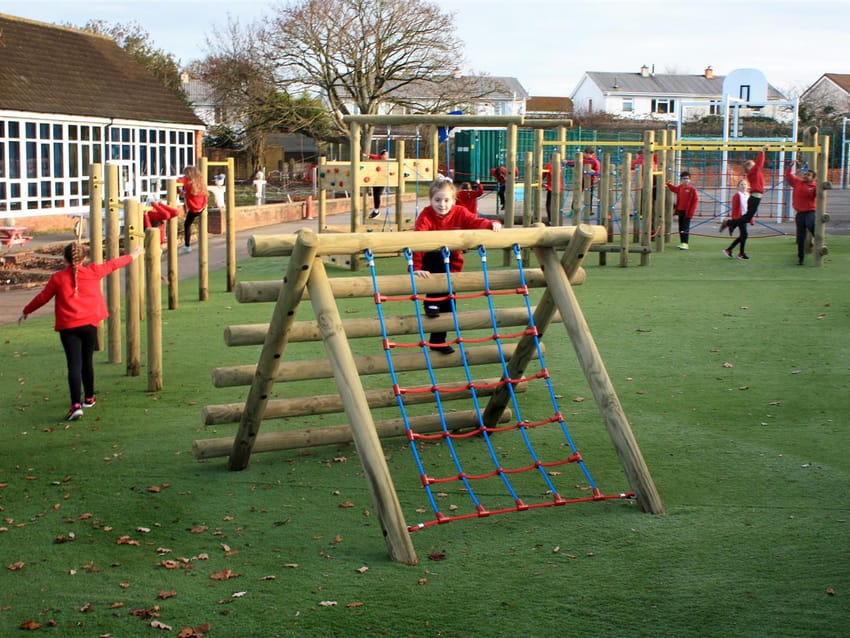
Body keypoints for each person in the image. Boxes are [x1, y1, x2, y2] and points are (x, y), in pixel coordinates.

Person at [18, 242, 144, 421]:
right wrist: (134, 254)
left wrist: (26, 311)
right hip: (89, 325)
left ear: (64, 259)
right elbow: (113, 264)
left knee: (74, 365)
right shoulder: (93, 271)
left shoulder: (58, 278)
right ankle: (89, 398)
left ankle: (76, 405)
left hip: (69, 328)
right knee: (87, 362)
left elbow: (42, 297)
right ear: (84, 258)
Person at [412, 180, 502, 354]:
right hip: (431, 264)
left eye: (446, 200)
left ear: (454, 200)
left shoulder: (460, 212)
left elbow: (474, 222)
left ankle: (438, 341)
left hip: (452, 266)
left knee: (449, 307)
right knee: (438, 258)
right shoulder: (426, 215)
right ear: (431, 200)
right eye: (437, 200)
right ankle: (430, 302)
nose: (442, 204)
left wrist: (492, 223)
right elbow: (419, 241)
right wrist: (416, 267)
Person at [720, 146, 767, 259]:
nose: (755, 166)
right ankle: (729, 223)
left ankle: (732, 249)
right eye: (752, 165)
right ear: (749, 169)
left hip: (756, 197)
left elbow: (759, 164)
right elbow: (759, 163)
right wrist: (762, 151)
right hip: (755, 198)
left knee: (744, 232)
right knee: (745, 225)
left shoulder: (756, 174)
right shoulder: (752, 173)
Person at [784, 160, 818, 265]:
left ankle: (818, 238)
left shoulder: (814, 187)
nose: (805, 175)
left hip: (810, 211)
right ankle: (801, 258)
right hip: (800, 213)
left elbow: (820, 196)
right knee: (800, 236)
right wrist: (790, 166)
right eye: (805, 174)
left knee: (810, 223)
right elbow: (788, 176)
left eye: (808, 175)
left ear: (813, 178)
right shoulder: (798, 182)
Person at [665, 171, 699, 250]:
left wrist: (691, 213)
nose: (685, 180)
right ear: (681, 179)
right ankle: (682, 242)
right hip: (680, 211)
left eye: (687, 178)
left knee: (685, 227)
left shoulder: (692, 189)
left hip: (687, 212)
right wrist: (668, 184)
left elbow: (695, 201)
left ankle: (685, 243)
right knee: (681, 227)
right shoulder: (680, 187)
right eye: (684, 178)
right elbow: (674, 189)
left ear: (690, 180)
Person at [723, 179, 754, 259]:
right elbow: (735, 208)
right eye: (741, 184)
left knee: (743, 235)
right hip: (740, 218)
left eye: (745, 184)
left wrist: (751, 218)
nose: (743, 186)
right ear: (738, 187)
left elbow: (750, 208)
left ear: (747, 186)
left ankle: (729, 250)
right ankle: (741, 253)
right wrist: (735, 220)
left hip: (746, 218)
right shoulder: (737, 195)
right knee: (745, 234)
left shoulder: (748, 195)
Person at [180, 165, 208, 254]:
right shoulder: (200, 180)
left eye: (185, 174)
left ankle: (187, 246)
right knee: (198, 222)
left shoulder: (188, 183)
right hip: (202, 206)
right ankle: (201, 242)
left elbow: (179, 182)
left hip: (194, 209)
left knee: (187, 224)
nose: (184, 176)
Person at [364, 148, 389, 218]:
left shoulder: (387, 162)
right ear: (382, 155)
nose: (387, 157)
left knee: (377, 194)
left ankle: (376, 210)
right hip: (375, 180)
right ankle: (376, 211)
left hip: (382, 180)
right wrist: (366, 155)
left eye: (387, 155)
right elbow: (371, 156)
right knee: (375, 194)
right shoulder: (377, 158)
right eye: (386, 155)